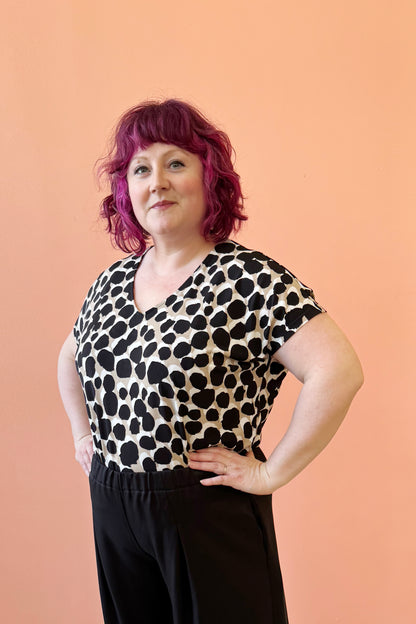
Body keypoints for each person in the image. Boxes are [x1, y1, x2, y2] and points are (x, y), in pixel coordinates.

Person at [57, 99, 363, 624]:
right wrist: (83, 434)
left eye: (176, 163)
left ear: (209, 177)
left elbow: (338, 370)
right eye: (140, 169)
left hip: (204, 510)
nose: (157, 182)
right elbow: (72, 355)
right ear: (126, 190)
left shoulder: (249, 279)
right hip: (113, 505)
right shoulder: (112, 281)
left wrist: (270, 473)